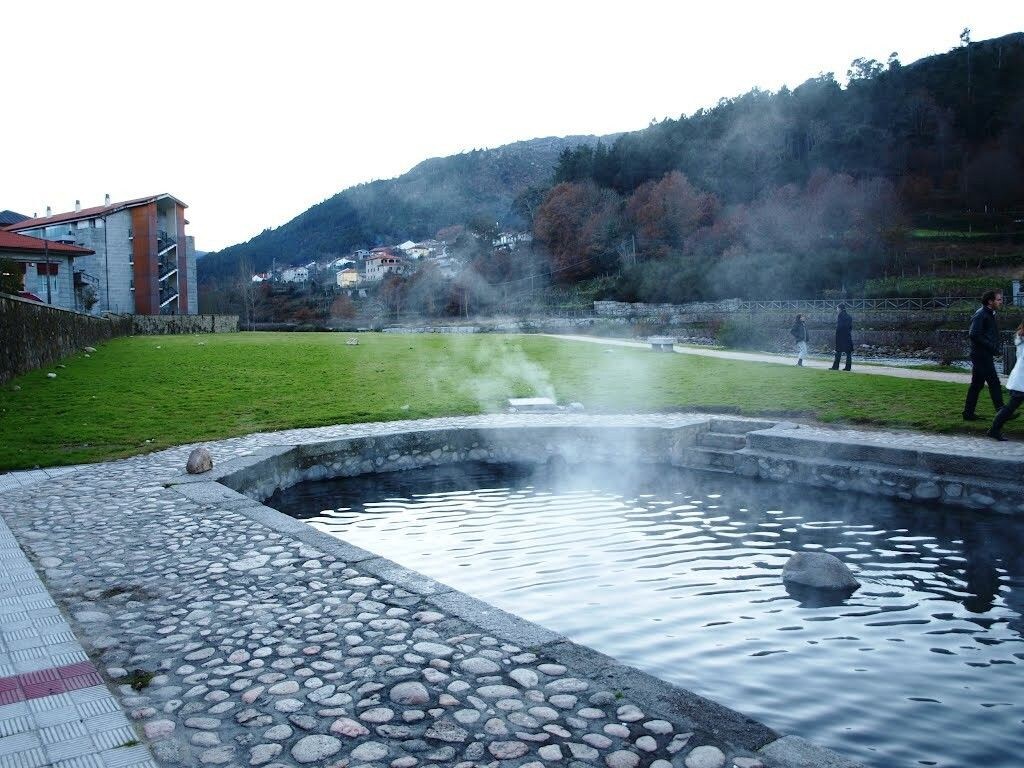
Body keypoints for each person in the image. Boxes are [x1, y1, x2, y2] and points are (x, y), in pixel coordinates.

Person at [963, 289, 1007, 421]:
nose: (1001, 302)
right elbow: (974, 334)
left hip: (981, 354)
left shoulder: (988, 313)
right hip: (981, 355)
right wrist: (991, 346)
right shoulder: (982, 314)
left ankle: (968, 413)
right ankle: (1002, 412)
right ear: (990, 301)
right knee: (994, 382)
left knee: (976, 385)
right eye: (998, 300)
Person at [987, 321, 1024, 440]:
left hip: (1019, 377)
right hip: (1021, 379)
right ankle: (994, 429)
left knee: (1010, 407)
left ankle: (994, 429)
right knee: (1010, 407)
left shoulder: (1020, 337)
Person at [830, 304, 853, 371]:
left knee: (838, 352)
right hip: (847, 336)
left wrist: (837, 334)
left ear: (840, 308)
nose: (837, 310)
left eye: (837, 308)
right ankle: (848, 367)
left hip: (840, 336)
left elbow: (839, 327)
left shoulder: (840, 315)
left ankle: (835, 366)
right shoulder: (849, 316)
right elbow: (850, 327)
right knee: (848, 353)